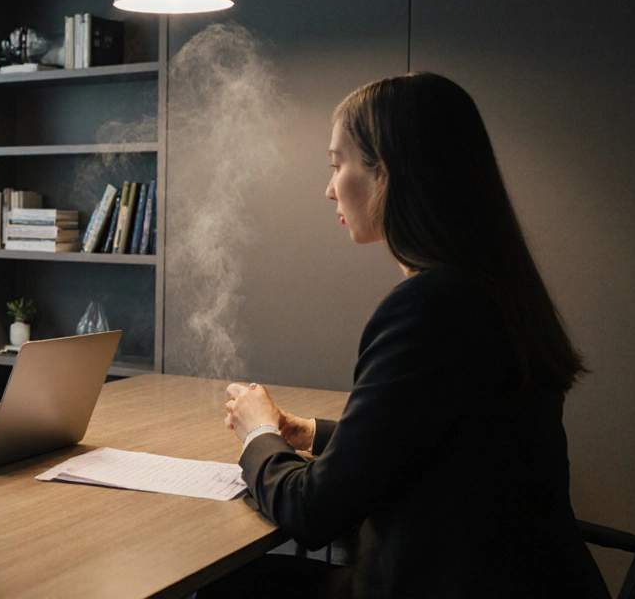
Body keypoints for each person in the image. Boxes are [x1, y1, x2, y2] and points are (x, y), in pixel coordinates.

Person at [220, 73, 610, 598]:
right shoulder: (493, 291)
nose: (329, 188)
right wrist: (308, 432)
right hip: (509, 579)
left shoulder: (430, 308)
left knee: (232, 585)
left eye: (339, 165)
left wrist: (257, 433)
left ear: (389, 174)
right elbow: (441, 444)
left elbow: (314, 512)